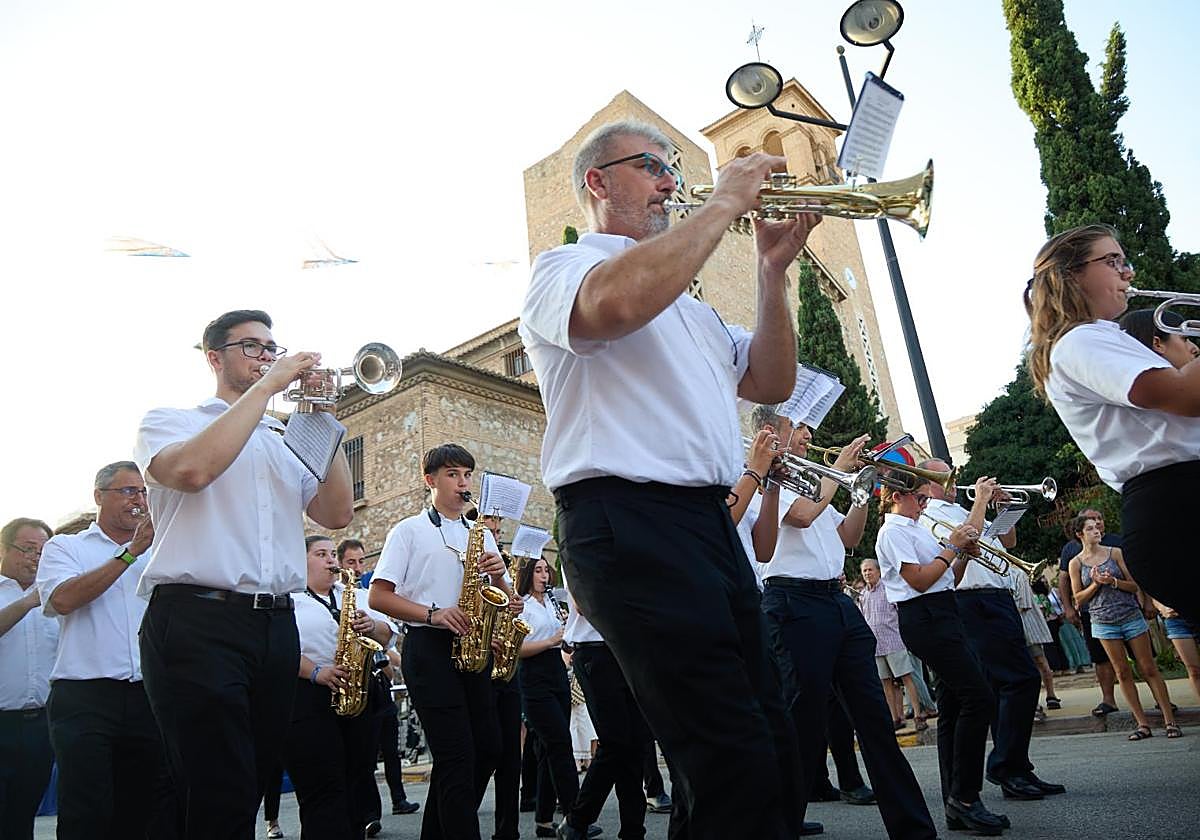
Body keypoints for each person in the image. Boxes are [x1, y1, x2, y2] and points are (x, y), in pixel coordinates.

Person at [519, 118, 814, 840]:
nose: (670, 182)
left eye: (674, 168)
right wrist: (724, 204)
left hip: (707, 527)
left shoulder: (691, 304)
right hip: (627, 521)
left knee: (770, 747)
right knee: (729, 755)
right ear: (598, 182)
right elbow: (612, 307)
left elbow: (770, 378)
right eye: (652, 165)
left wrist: (772, 272)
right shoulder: (562, 269)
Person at [134, 309, 355, 836]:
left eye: (271, 349)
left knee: (251, 783)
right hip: (197, 620)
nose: (266, 357)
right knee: (217, 785)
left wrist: (321, 416)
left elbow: (336, 513)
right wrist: (273, 385)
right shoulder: (172, 421)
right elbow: (192, 471)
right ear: (214, 357)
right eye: (251, 347)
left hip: (275, 626)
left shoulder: (284, 436)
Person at [758, 414, 937, 839]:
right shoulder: (775, 479)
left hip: (836, 602)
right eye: (797, 427)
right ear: (772, 434)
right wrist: (839, 470)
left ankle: (913, 830)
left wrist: (861, 490)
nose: (807, 435)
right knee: (802, 724)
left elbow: (848, 538)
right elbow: (801, 517)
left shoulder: (816, 480)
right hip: (794, 602)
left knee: (875, 720)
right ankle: (781, 825)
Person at [1025, 223, 1200, 623]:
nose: (1128, 272)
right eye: (1112, 261)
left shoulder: (1103, 336)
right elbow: (1183, 396)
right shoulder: (1078, 341)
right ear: (1071, 275)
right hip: (1176, 507)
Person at [368, 443, 508, 840]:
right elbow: (379, 596)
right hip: (429, 648)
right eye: (452, 474)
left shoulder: (479, 534)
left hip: (473, 646)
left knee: (489, 749)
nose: (463, 483)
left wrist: (499, 576)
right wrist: (434, 613)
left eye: (467, 475)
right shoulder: (408, 531)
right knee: (457, 756)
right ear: (430, 480)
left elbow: (504, 597)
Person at [35, 462, 176, 839]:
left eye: (143, 492)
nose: (139, 501)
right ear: (99, 496)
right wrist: (130, 554)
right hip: (85, 696)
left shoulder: (161, 551)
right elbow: (63, 599)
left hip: (149, 693)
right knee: (88, 808)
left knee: (147, 807)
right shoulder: (66, 547)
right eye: (127, 491)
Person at [920, 463, 1064, 802]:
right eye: (945, 477)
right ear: (928, 484)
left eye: (953, 475)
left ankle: (1016, 767)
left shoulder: (963, 508)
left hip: (998, 595)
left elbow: (1006, 542)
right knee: (1020, 679)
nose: (954, 482)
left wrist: (1004, 508)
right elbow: (967, 539)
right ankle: (1005, 764)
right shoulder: (930, 513)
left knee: (1006, 685)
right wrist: (982, 501)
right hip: (971, 599)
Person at [876, 486, 1008, 836]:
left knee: (953, 705)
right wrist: (952, 546)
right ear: (894, 496)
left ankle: (958, 800)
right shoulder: (892, 532)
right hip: (923, 617)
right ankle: (965, 798)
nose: (923, 504)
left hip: (945, 610)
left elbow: (949, 576)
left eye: (923, 498)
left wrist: (962, 554)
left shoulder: (918, 526)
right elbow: (918, 581)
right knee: (979, 698)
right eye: (917, 498)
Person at [287, 535, 396, 839]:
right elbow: (278, 649)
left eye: (332, 554)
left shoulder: (356, 594)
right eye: (321, 554)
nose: (331, 561)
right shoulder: (289, 599)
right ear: (301, 560)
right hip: (309, 695)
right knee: (323, 788)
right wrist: (317, 672)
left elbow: (388, 634)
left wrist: (371, 626)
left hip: (359, 691)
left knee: (357, 781)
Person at [1067, 515, 1181, 740]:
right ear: (1080, 534)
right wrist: (1096, 585)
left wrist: (1114, 582)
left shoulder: (1115, 553)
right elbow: (1078, 599)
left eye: (1097, 526)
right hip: (1103, 623)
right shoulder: (1076, 563)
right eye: (1090, 528)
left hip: (1130, 616)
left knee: (1149, 668)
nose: (1096, 530)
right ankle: (1142, 724)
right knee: (1122, 672)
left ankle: (1170, 721)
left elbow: (1134, 585)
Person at [559, 581, 649, 840]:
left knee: (636, 744)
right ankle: (577, 821)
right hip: (596, 652)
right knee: (615, 742)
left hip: (629, 651)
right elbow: (584, 602)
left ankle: (633, 830)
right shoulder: (583, 545)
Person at [0, 517, 57, 840]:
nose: (36, 558)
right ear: (4, 549)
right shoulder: (33, 599)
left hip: (40, 727)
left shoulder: (57, 594)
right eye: (28, 549)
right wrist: (26, 603)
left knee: (22, 818)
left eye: (43, 551)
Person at [516, 558, 582, 838]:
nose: (544, 575)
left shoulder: (553, 603)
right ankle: (576, 816)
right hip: (533, 676)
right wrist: (551, 640)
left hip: (556, 673)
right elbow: (518, 649)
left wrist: (567, 637)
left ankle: (544, 819)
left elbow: (561, 639)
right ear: (528, 574)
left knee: (546, 749)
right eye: (538, 570)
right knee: (559, 743)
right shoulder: (522, 605)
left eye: (546, 570)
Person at [1057, 508, 1121, 716]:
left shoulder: (1116, 542)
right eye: (1091, 521)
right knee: (1100, 657)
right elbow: (1064, 579)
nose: (1097, 524)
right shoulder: (1070, 550)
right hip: (1091, 611)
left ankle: (1159, 699)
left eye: (1099, 519)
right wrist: (1067, 607)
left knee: (1141, 656)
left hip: (1125, 607)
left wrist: (1145, 601)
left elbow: (1134, 574)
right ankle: (1108, 700)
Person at [858, 558, 929, 731]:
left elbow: (899, 612)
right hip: (877, 646)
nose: (867, 573)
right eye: (864, 571)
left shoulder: (888, 589)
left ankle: (919, 714)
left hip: (893, 641)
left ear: (878, 571)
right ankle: (896, 717)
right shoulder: (863, 595)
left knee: (906, 678)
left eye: (870, 570)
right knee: (886, 682)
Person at [1011, 572, 1059, 712]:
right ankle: (1033, 701)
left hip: (1026, 625)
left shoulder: (1018, 575)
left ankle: (1051, 695)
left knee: (1039, 660)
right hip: (1010, 625)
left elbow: (1024, 604)